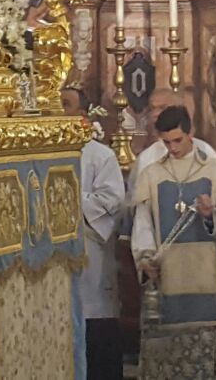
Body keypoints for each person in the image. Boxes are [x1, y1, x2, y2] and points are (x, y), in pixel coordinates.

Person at [131, 106, 216, 380]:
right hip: (168, 280)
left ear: (190, 133)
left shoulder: (215, 172)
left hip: (207, 281)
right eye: (166, 142)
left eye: (178, 140)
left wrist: (211, 215)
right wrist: (144, 259)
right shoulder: (151, 175)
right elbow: (142, 224)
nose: (173, 148)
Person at [65, 86, 128, 380]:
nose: (58, 113)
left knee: (96, 342)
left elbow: (112, 202)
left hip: (90, 258)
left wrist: (66, 199)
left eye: (65, 106)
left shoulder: (99, 155)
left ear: (82, 116)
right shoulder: (37, 155)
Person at [128, 88, 216, 193]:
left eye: (162, 107)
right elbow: (136, 196)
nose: (156, 113)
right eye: (152, 109)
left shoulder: (205, 150)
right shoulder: (147, 156)